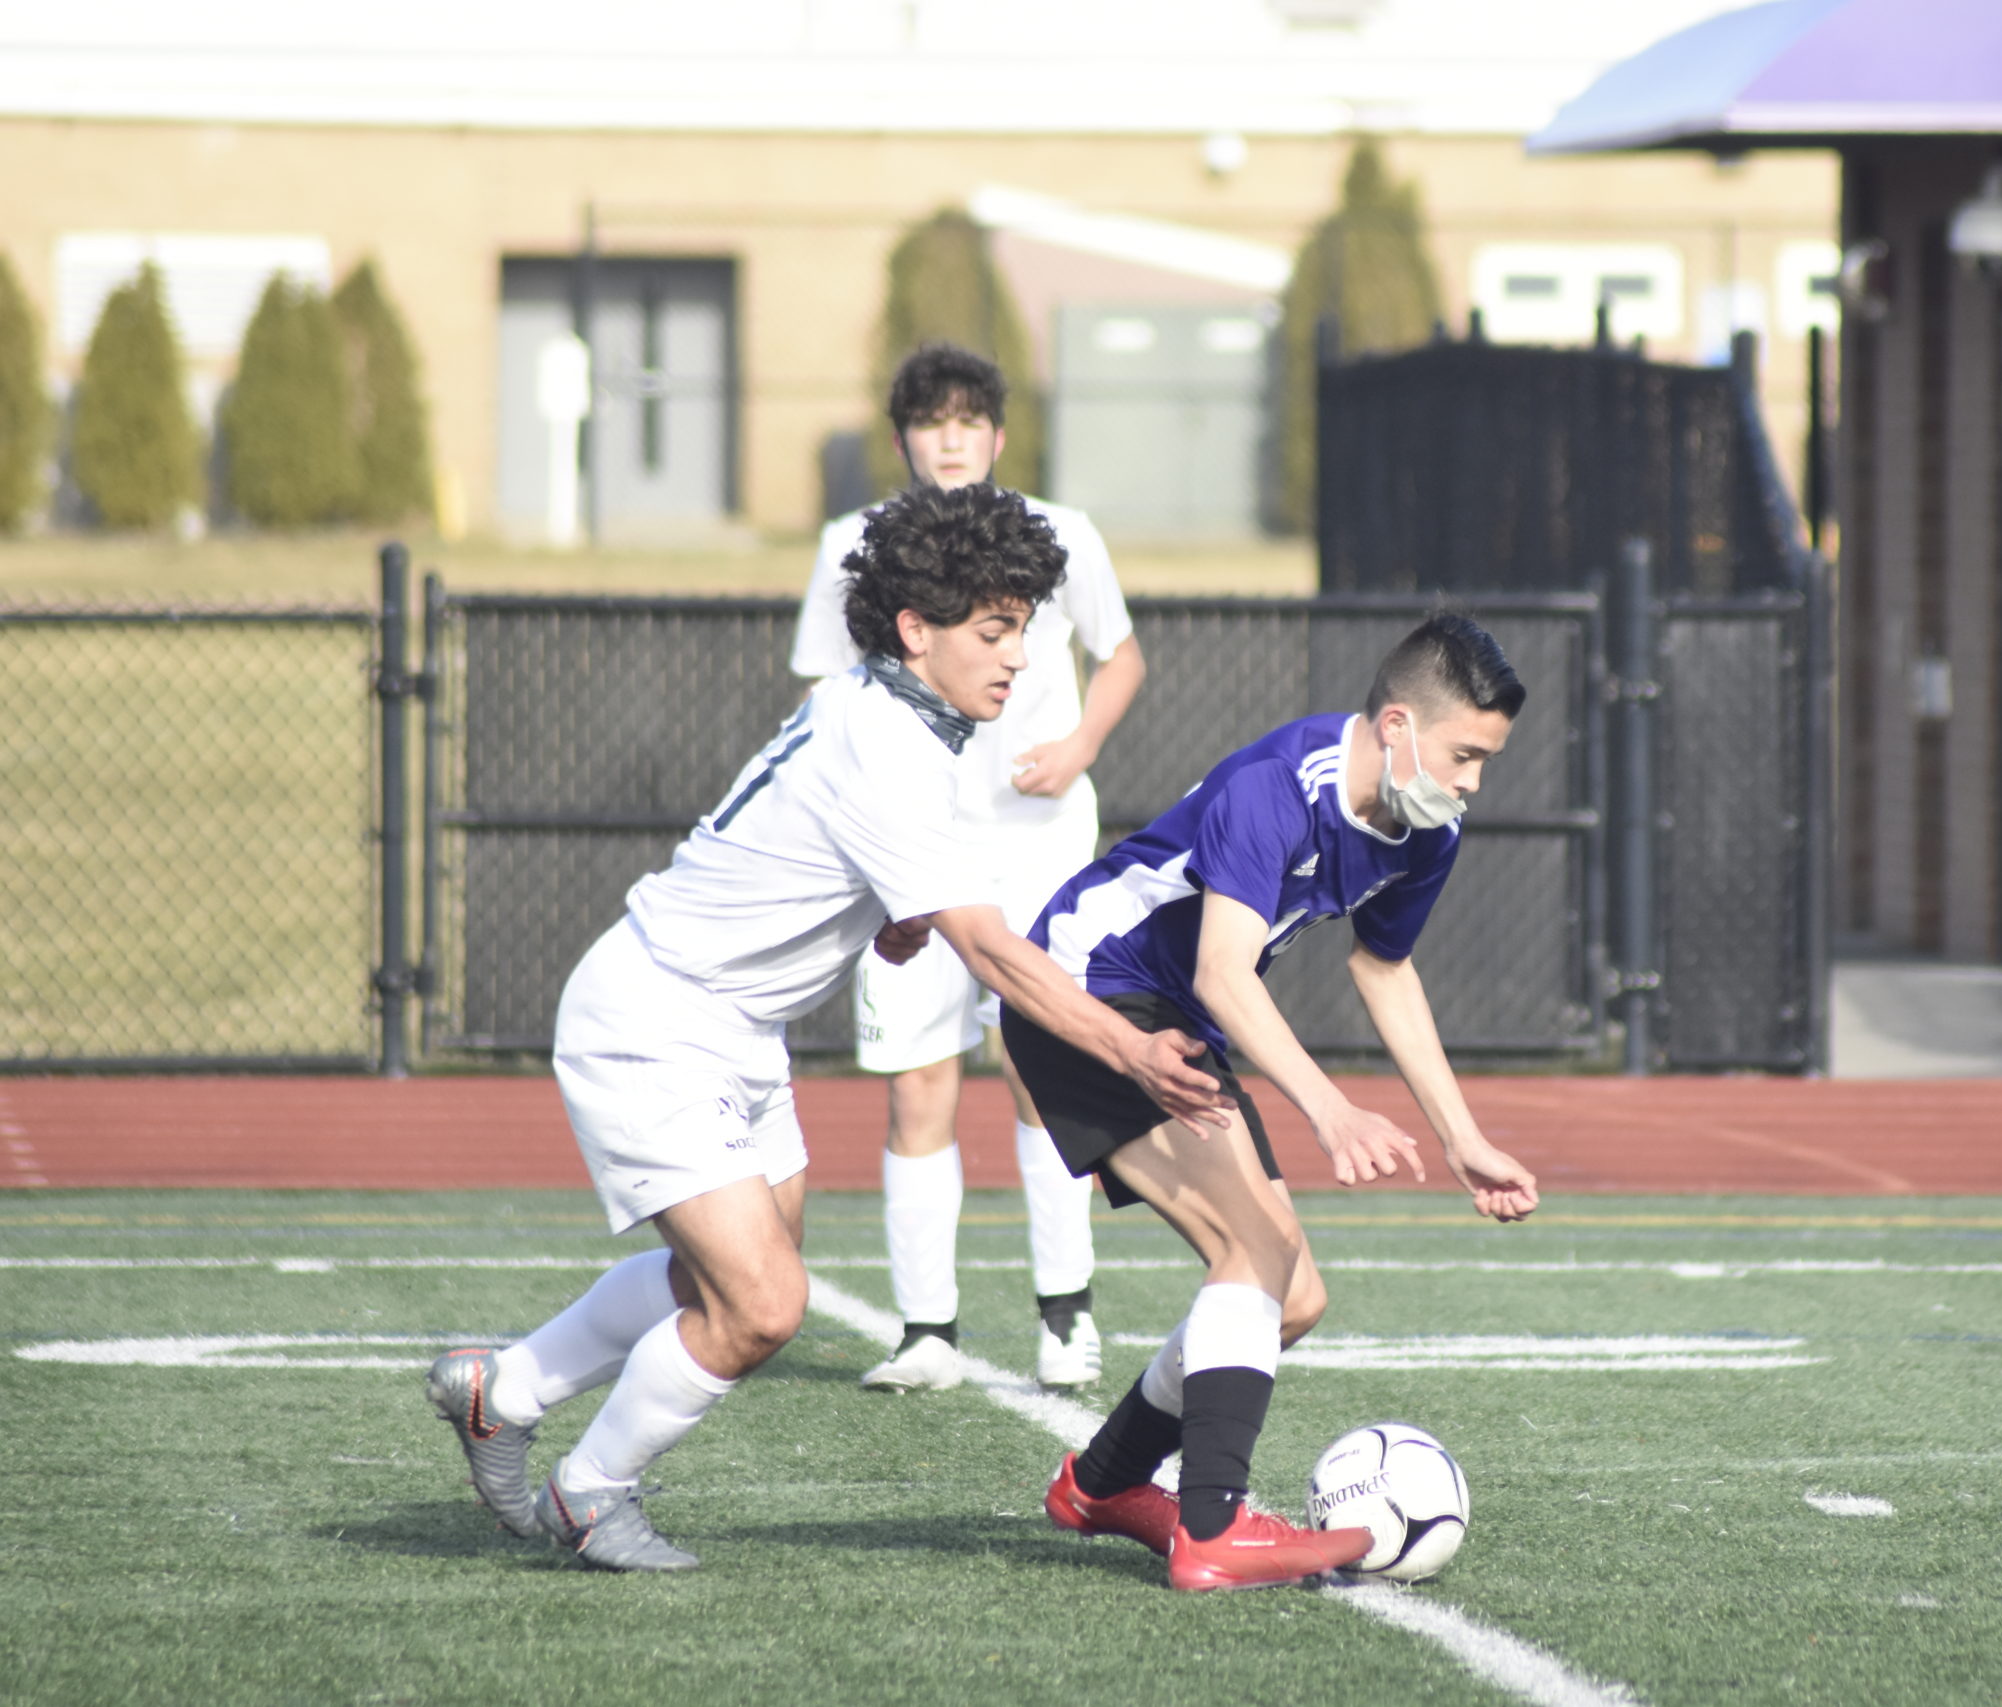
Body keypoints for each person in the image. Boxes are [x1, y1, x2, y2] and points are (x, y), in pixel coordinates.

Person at [423, 482, 1225, 1573]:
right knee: (761, 1307)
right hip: (655, 1019)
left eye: (1025, 629)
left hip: (731, 1028)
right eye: (995, 632)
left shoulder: (888, 708)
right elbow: (990, 952)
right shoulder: (891, 744)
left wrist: (891, 918)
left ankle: (503, 1391)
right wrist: (1131, 1049)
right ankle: (588, 1494)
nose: (1021, 659)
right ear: (915, 630)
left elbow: (847, 862)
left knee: (729, 1282)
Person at [1005, 611, 1543, 1591]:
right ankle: (1211, 1530)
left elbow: (1384, 969)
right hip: (1085, 992)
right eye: (1464, 754)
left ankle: (1103, 1484)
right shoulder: (1274, 788)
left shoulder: (1426, 827)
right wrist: (1329, 1109)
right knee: (1251, 1250)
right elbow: (1221, 972)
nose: (1470, 781)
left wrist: (1461, 1139)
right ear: (1395, 727)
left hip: (1176, 1011)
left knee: (1290, 1298)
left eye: (1485, 761)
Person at [791, 342, 1145, 1394]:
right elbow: (822, 693)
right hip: (911, 853)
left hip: (1036, 848)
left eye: (968, 419)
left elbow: (1119, 653)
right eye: (929, 420)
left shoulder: (1059, 536)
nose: (950, 437)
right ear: (902, 438)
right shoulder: (852, 545)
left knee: (1042, 1067)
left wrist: (1080, 745)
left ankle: (1064, 1315)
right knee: (919, 1090)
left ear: (996, 436)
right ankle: (926, 1332)